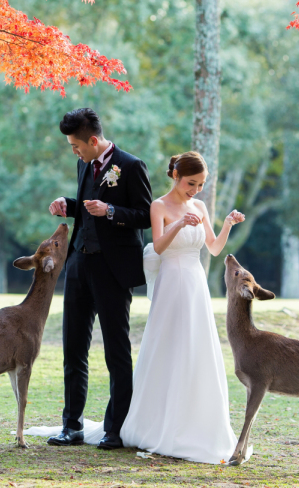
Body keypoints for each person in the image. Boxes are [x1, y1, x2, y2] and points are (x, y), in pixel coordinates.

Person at [30, 150, 247, 464]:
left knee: (197, 350)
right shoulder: (159, 205)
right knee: (167, 348)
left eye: (200, 185)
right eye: (191, 183)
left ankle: (195, 422)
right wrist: (179, 224)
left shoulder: (199, 206)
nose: (195, 191)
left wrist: (227, 223)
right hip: (172, 282)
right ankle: (152, 422)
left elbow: (212, 249)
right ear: (175, 175)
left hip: (195, 285)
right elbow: (157, 245)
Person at [46, 108, 152, 450]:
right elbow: (87, 206)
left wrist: (110, 212)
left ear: (93, 140)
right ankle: (71, 426)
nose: (73, 152)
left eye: (76, 146)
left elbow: (145, 216)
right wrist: (69, 203)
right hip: (78, 265)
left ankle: (115, 429)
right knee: (72, 349)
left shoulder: (131, 166)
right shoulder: (83, 163)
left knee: (116, 352)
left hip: (114, 270)